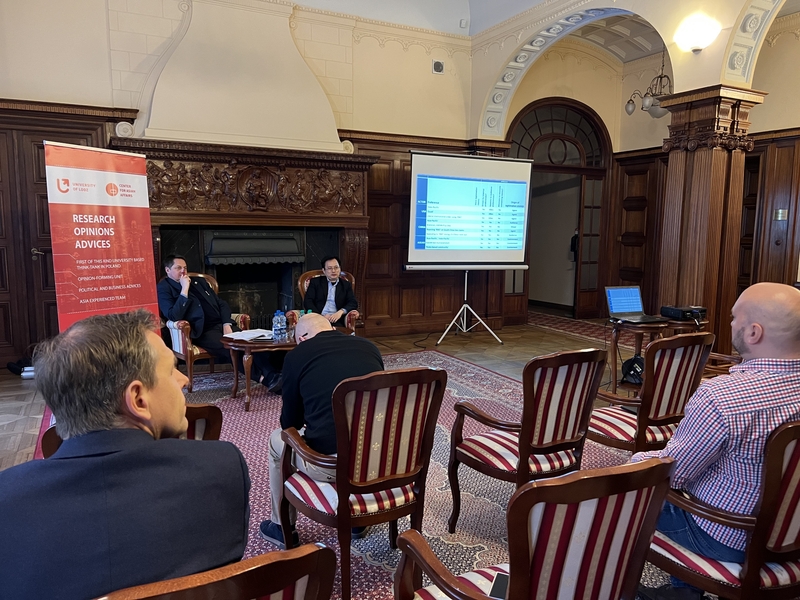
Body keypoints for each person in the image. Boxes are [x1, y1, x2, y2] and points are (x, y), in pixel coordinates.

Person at [0, 309, 251, 600]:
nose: (183, 379)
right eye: (171, 370)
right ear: (138, 399)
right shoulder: (221, 467)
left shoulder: (7, 498)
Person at [635, 282, 800, 600]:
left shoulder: (722, 396)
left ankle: (676, 592)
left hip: (729, 536)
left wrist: (631, 464)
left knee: (618, 495)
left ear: (754, 332)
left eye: (734, 317)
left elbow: (672, 473)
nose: (730, 323)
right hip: (790, 532)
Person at [260, 313, 384, 547]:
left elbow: (290, 425)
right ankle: (357, 520)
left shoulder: (297, 356)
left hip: (328, 465)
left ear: (302, 338)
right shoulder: (369, 347)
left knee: (276, 440)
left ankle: (281, 526)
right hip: (376, 460)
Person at [157, 254, 282, 392]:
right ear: (168, 270)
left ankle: (276, 376)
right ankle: (267, 379)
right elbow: (173, 315)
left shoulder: (200, 282)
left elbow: (222, 304)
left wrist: (226, 324)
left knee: (251, 344)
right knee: (232, 349)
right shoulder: (164, 288)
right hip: (203, 331)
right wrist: (184, 290)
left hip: (222, 325)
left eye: (185, 268)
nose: (183, 271)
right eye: (178, 268)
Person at [303, 255, 358, 327]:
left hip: (337, 319)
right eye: (329, 268)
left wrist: (340, 312)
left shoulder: (345, 284)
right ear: (324, 271)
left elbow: (353, 302)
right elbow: (308, 302)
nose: (333, 271)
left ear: (340, 268)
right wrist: (320, 316)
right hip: (318, 318)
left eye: (336, 267)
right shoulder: (315, 282)